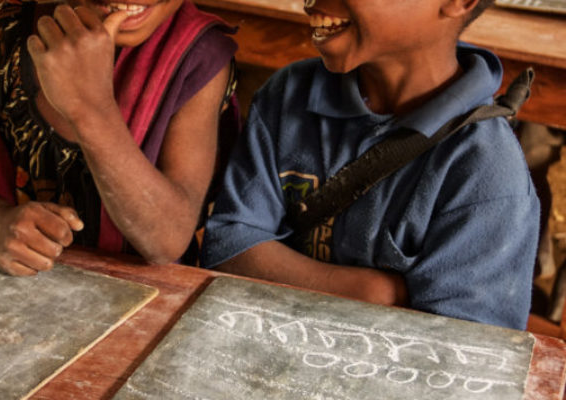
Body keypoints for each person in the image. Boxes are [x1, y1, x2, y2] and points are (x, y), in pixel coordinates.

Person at [201, 0, 540, 330]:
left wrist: (281, 268)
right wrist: (376, 293)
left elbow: (465, 353)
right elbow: (227, 246)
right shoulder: (288, 94)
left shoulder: (486, 172)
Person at [0, 0, 238, 275]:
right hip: (6, 286)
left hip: (143, 298)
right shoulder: (2, 38)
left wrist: (90, 108)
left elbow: (166, 241)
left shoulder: (197, 56)